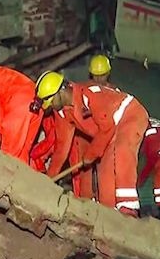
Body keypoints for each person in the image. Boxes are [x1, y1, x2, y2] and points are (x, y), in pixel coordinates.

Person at [34, 71, 148, 216]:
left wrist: (91, 154)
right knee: (105, 174)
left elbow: (107, 127)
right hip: (109, 131)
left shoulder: (88, 94)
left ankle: (128, 208)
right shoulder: (63, 113)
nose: (50, 107)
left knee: (122, 151)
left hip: (129, 115)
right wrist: (48, 179)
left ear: (60, 91)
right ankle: (110, 216)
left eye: (50, 102)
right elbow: (61, 150)